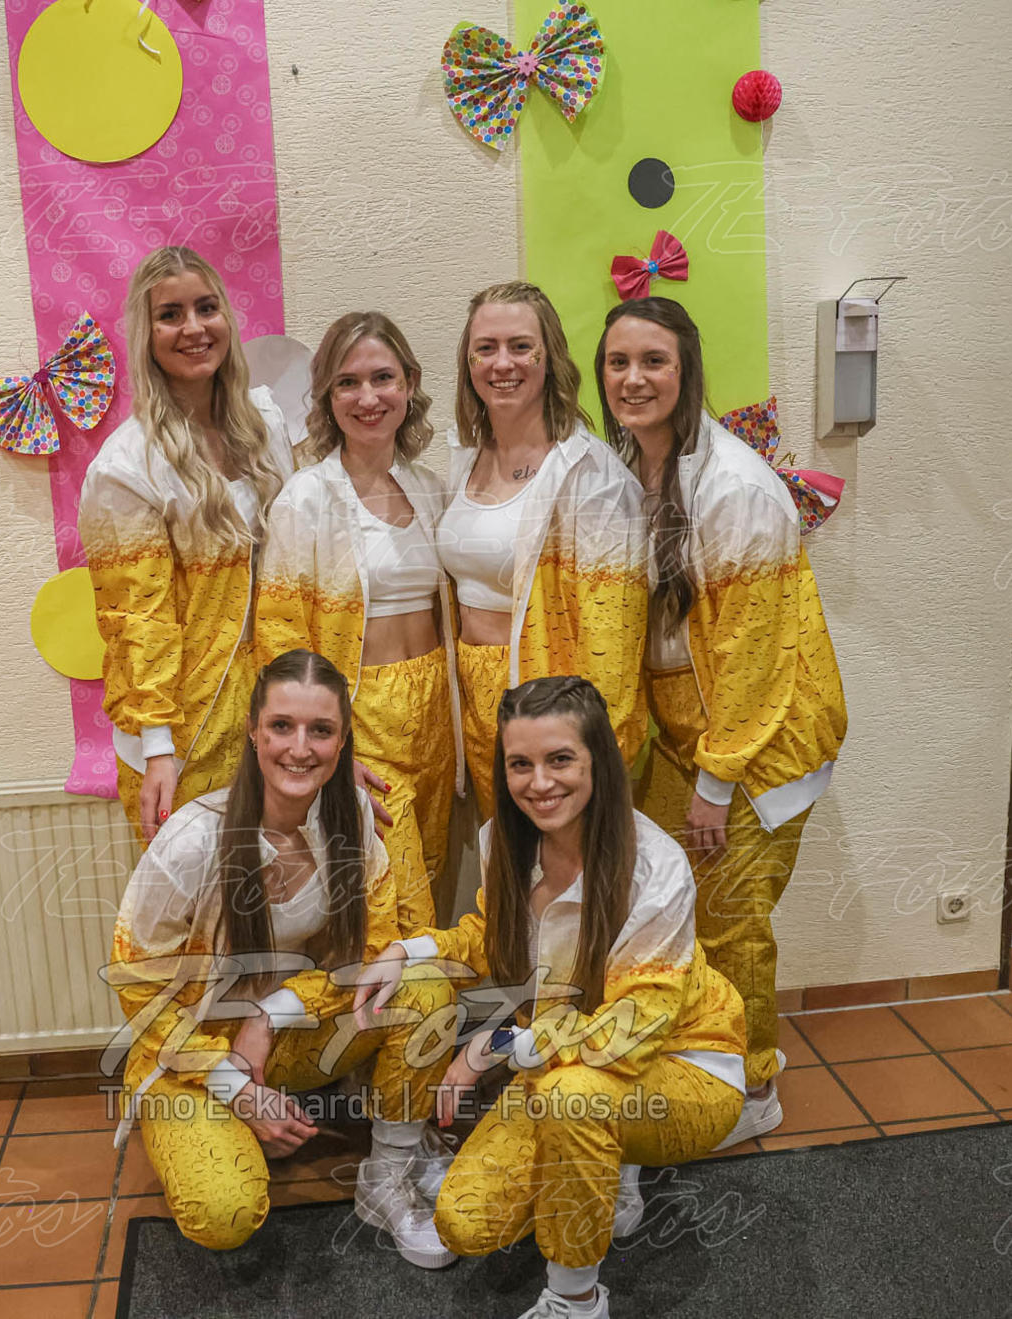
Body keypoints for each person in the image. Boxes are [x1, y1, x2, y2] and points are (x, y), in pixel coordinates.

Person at [355, 676, 747, 1319]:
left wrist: (494, 1048)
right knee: (465, 1223)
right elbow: (491, 938)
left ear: (599, 761)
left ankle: (575, 1299)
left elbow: (634, 1028)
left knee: (574, 1098)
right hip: (563, 1056)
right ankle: (603, 1159)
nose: (539, 783)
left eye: (560, 759)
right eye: (521, 764)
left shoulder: (657, 867)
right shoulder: (503, 843)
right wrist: (408, 951)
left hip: (681, 1063)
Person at [105, 649, 456, 1264]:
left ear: (342, 742)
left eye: (320, 730)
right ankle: (226, 1125)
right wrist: (234, 1086)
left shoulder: (353, 825)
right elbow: (140, 989)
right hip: (191, 1053)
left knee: (423, 983)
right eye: (281, 726)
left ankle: (388, 1174)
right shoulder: (193, 840)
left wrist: (272, 1014)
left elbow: (373, 955)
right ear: (252, 731)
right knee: (224, 1213)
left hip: (287, 1036)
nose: (300, 748)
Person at [595, 297, 849, 1146]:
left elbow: (752, 657)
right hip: (683, 732)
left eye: (654, 361)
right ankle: (702, 1060)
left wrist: (716, 780)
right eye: (619, 362)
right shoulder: (631, 469)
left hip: (754, 741)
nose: (634, 379)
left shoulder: (735, 486)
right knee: (677, 905)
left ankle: (755, 1086)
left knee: (733, 915)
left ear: (688, 370)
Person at [79, 245, 295, 842]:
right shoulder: (128, 466)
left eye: (206, 308)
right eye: (170, 315)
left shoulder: (265, 424)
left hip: (277, 707)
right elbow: (138, 618)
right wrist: (158, 748)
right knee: (199, 892)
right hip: (184, 725)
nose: (194, 328)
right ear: (146, 335)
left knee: (284, 882)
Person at [256, 311, 464, 931]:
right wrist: (328, 745)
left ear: (409, 384)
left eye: (382, 378)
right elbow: (281, 638)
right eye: (347, 383)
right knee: (388, 900)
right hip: (361, 717)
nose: (367, 397)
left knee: (432, 878)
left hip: (436, 717)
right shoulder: (305, 498)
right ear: (326, 396)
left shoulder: (431, 490)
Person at [436, 282, 648, 821]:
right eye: (485, 348)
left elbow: (613, 645)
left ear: (549, 356)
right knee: (505, 857)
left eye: (520, 346)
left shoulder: (590, 476)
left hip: (547, 708)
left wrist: (592, 753)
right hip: (475, 702)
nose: (502, 363)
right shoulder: (466, 457)